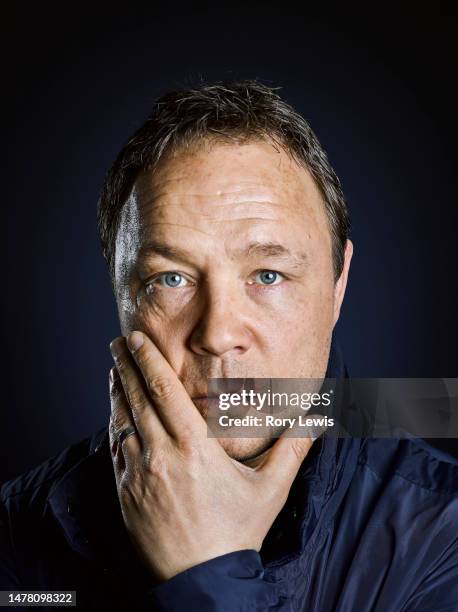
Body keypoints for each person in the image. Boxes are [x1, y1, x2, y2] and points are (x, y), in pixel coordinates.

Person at [1, 81, 457, 611]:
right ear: (121, 299)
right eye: (170, 280)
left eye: (268, 274)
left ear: (339, 285)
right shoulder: (15, 536)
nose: (218, 335)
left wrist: (206, 572)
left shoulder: (443, 535)